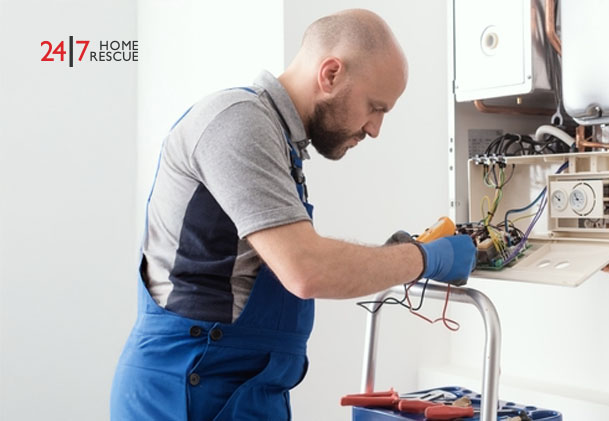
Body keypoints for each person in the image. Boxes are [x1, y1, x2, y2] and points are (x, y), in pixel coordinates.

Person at [110, 9, 476, 421]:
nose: (375, 129)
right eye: (375, 108)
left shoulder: (280, 144)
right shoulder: (239, 122)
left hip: (243, 390)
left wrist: (402, 256)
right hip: (187, 391)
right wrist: (428, 259)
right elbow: (306, 269)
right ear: (331, 74)